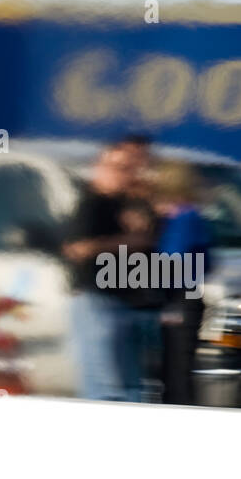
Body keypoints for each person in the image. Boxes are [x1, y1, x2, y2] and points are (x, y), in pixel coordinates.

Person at [61, 142, 157, 401]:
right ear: (98, 168)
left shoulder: (130, 204)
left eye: (130, 168)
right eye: (117, 167)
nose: (125, 174)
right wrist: (131, 241)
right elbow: (77, 248)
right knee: (107, 388)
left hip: (128, 301)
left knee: (130, 387)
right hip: (98, 300)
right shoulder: (92, 203)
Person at [152, 161, 213, 405]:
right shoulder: (192, 216)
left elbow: (173, 258)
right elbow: (207, 262)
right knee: (177, 372)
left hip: (176, 299)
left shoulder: (182, 218)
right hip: (187, 296)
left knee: (175, 376)